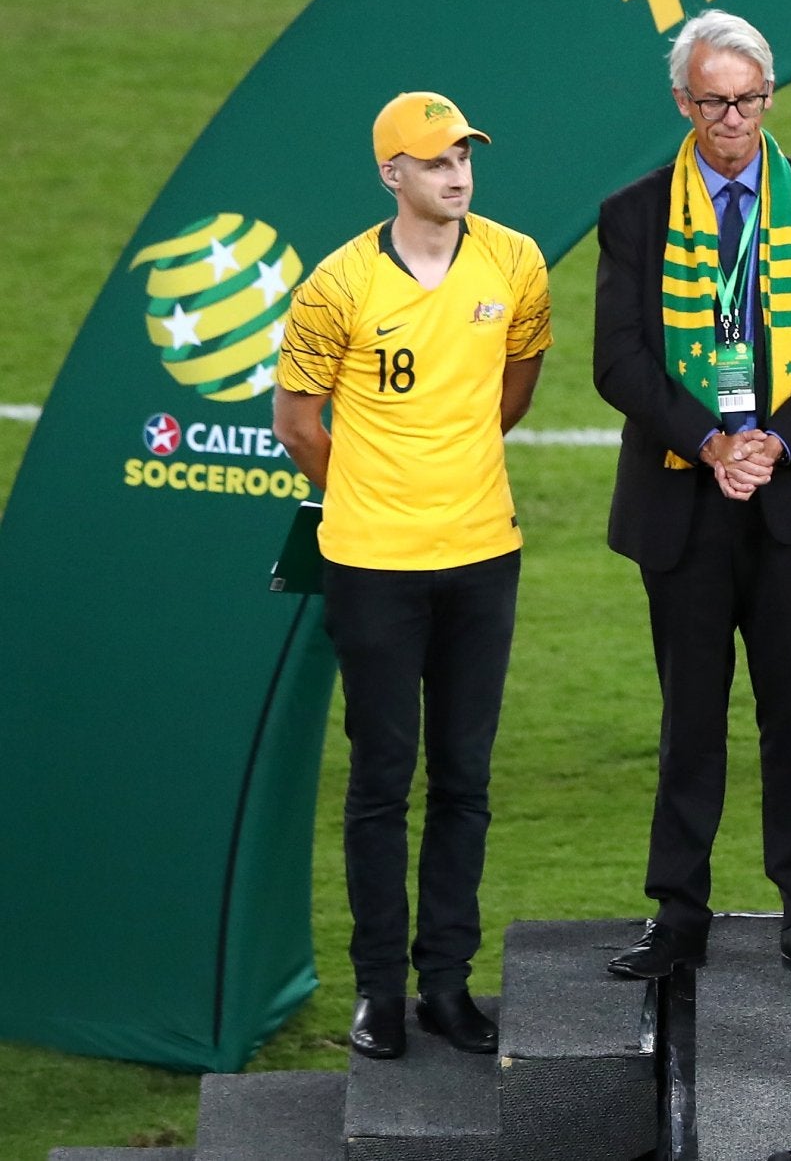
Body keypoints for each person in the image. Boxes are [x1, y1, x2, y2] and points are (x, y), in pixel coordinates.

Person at [593, 10, 791, 989]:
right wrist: (710, 441)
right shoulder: (633, 212)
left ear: (768, 96)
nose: (733, 118)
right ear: (683, 101)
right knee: (690, 713)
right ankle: (679, 911)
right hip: (685, 494)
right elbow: (617, 361)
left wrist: (774, 441)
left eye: (749, 99)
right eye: (714, 101)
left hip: (790, 496)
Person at [273, 92, 551, 1060]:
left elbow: (515, 383)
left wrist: (451, 465)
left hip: (481, 553)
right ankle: (379, 990)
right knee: (382, 782)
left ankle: (445, 982)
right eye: (436, 160)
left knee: (466, 777)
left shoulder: (514, 260)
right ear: (392, 171)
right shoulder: (337, 284)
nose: (458, 174)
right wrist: (374, 498)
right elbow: (299, 423)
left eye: (465, 154)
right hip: (374, 566)